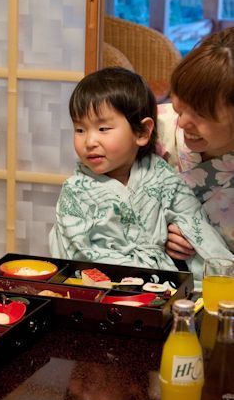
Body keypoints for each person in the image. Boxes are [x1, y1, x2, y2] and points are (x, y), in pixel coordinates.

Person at [48, 67, 232, 284]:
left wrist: (225, 274)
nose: (89, 142)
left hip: (163, 285)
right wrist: (133, 276)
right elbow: (77, 251)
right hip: (105, 287)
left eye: (103, 128)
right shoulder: (76, 190)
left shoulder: (160, 174)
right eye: (80, 130)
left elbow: (196, 223)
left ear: (143, 132)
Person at [157, 27, 234, 259]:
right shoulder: (153, 130)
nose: (182, 123)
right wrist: (158, 234)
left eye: (200, 113)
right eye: (180, 105)